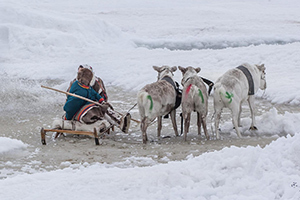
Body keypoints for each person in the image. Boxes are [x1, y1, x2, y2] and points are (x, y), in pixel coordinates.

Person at [64, 66, 131, 133]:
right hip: (80, 112)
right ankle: (118, 122)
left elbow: (96, 94)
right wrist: (68, 117)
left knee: (104, 107)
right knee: (99, 110)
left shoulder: (91, 85)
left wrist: (101, 101)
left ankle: (119, 120)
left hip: (91, 105)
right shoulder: (75, 86)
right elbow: (70, 104)